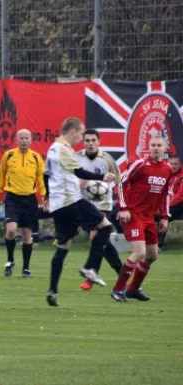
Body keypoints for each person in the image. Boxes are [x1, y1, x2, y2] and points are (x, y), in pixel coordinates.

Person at [44, 117, 116, 307]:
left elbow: (45, 175)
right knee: (106, 226)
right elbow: (79, 172)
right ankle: (90, 268)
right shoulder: (63, 149)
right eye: (81, 133)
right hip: (71, 201)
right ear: (73, 131)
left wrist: (47, 197)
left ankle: (52, 291)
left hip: (58, 205)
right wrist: (101, 176)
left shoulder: (51, 149)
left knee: (63, 246)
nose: (81, 138)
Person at [110, 136, 173, 302]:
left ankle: (133, 289)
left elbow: (166, 194)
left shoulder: (167, 169)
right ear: (149, 147)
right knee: (139, 253)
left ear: (165, 148)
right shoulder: (140, 164)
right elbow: (122, 183)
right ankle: (117, 290)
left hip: (150, 218)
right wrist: (123, 208)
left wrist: (165, 217)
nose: (156, 148)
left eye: (159, 145)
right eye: (153, 145)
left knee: (152, 256)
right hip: (133, 214)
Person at [0, 129, 46, 278]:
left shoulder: (35, 157)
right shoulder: (8, 155)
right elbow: (0, 177)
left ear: (30, 140)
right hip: (12, 198)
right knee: (11, 230)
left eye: (26, 138)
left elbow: (41, 179)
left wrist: (45, 197)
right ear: (16, 140)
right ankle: (10, 260)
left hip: (29, 199)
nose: (23, 140)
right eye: (21, 138)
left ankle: (26, 269)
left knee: (27, 235)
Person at [76, 129, 123, 291]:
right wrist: (79, 184)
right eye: (87, 140)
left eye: (93, 140)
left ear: (98, 141)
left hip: (103, 204)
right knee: (104, 242)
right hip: (84, 204)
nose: (90, 143)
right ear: (83, 141)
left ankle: (91, 270)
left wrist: (123, 205)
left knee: (96, 234)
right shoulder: (77, 157)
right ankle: (122, 273)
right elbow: (69, 178)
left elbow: (119, 181)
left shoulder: (107, 159)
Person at [157, 155, 183, 248]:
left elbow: (181, 196)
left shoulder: (181, 176)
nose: (173, 166)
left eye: (176, 164)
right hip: (168, 205)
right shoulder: (165, 174)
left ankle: (158, 245)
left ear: (180, 164)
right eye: (171, 164)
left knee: (161, 217)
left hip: (179, 206)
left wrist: (166, 206)